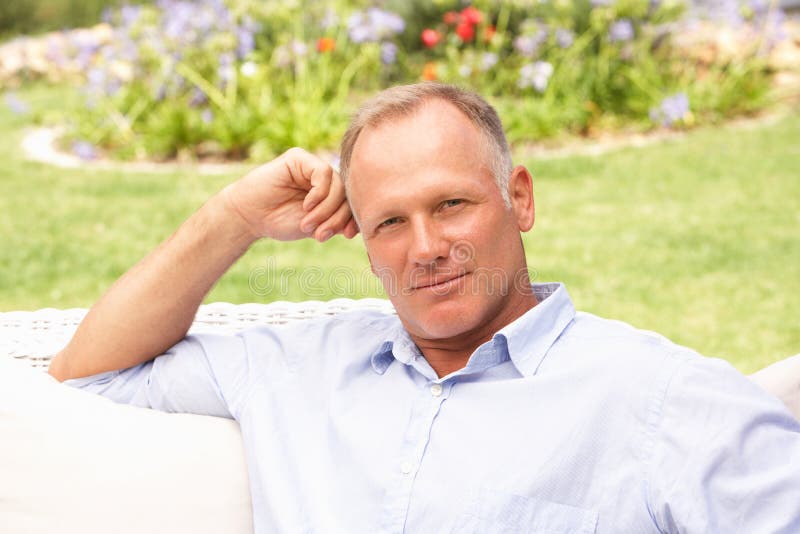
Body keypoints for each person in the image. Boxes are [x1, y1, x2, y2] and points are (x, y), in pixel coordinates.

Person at [48, 82, 800, 533]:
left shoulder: (659, 398)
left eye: (451, 205)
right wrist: (233, 217)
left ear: (520, 198)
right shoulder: (297, 368)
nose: (427, 246)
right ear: (363, 243)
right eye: (391, 222)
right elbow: (86, 379)